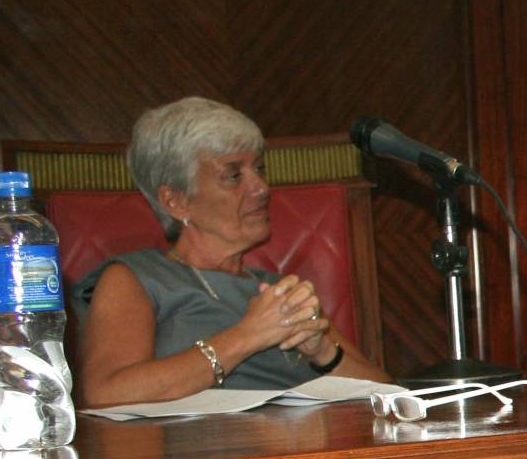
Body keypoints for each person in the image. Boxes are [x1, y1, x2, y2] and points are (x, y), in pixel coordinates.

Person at [71, 97, 389, 407]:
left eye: (259, 169)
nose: (261, 188)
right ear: (175, 201)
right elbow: (106, 394)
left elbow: (390, 396)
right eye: (234, 175)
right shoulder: (136, 278)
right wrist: (247, 336)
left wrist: (323, 352)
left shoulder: (278, 292)